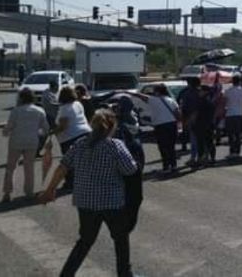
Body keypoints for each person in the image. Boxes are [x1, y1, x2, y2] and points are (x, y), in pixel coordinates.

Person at [39, 109, 139, 277]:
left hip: (85, 201)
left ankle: (66, 274)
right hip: (112, 202)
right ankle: (124, 273)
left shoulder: (80, 144)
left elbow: (63, 167)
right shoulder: (115, 145)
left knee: (85, 241)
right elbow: (130, 170)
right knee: (120, 238)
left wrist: (50, 189)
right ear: (112, 127)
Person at [2, 88, 49, 202]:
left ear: (21, 98)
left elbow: (9, 128)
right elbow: (45, 129)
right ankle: (29, 192)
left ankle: (7, 193)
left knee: (11, 167)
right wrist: (37, 132)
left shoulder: (16, 111)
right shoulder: (40, 111)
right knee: (29, 168)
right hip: (32, 142)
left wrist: (5, 132)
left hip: (16, 141)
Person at [46, 86, 92, 191]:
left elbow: (63, 126)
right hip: (85, 132)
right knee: (83, 160)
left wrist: (52, 132)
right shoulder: (77, 104)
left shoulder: (64, 109)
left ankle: (70, 184)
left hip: (71, 137)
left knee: (69, 162)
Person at [131, 84, 180, 173]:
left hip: (160, 126)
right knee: (171, 147)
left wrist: (125, 92)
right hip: (172, 124)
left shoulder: (152, 100)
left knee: (163, 147)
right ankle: (174, 166)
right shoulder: (171, 100)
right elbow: (177, 113)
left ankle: (166, 167)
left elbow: (140, 96)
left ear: (157, 91)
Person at [114, 95, 145, 234]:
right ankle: (128, 223)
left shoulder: (120, 123)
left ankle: (123, 224)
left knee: (126, 191)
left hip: (126, 155)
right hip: (137, 155)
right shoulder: (134, 116)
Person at [178, 77, 201, 165]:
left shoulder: (186, 93)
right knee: (201, 139)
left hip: (191, 119)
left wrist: (184, 120)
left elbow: (183, 107)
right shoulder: (203, 92)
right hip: (203, 119)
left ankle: (193, 157)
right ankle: (202, 157)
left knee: (194, 140)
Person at [224, 75, 242, 159]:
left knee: (230, 134)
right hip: (239, 114)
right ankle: (237, 151)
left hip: (230, 114)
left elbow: (225, 101)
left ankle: (232, 151)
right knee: (237, 134)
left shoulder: (228, 91)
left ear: (232, 81)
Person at [193, 85, 217, 166]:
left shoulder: (201, 101)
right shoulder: (212, 100)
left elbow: (196, 113)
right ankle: (212, 158)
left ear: (205, 91)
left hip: (201, 124)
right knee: (210, 142)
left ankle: (201, 159)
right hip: (210, 124)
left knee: (201, 143)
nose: (199, 92)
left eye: (201, 90)